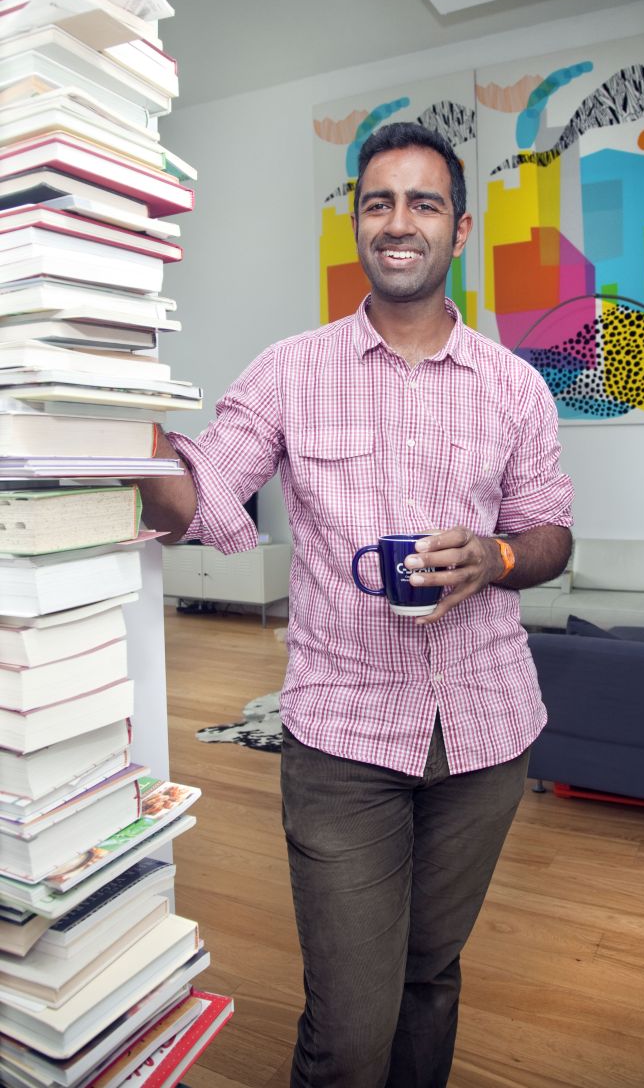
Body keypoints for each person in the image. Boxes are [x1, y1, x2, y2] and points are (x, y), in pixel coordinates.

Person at [138, 121, 573, 1088]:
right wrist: (133, 421)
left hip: (488, 734)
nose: (399, 221)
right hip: (342, 744)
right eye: (379, 202)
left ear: (461, 231)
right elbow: (200, 498)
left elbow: (551, 535)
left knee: (431, 979)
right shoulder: (291, 369)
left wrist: (494, 556)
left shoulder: (515, 387)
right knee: (350, 1030)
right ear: (357, 225)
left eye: (423, 203)